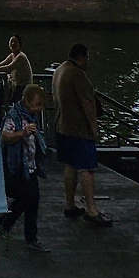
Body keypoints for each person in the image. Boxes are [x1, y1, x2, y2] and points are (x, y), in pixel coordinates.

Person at [52, 42, 112, 227]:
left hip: (62, 126)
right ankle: (91, 210)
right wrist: (93, 127)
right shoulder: (77, 74)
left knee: (70, 166)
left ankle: (69, 204)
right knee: (87, 168)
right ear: (80, 57)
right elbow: (87, 102)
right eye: (87, 57)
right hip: (79, 129)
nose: (87, 61)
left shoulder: (59, 70)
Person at [0, 83, 48, 251]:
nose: (39, 109)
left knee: (28, 200)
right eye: (36, 105)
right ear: (26, 101)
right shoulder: (14, 116)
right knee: (30, 199)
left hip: (30, 164)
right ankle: (29, 237)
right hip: (19, 165)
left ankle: (5, 222)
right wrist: (22, 133)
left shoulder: (32, 116)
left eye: (41, 105)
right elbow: (5, 137)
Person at [0, 36, 32, 103]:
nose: (13, 44)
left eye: (15, 42)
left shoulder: (21, 56)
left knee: (12, 100)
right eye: (11, 41)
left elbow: (9, 68)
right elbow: (1, 64)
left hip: (23, 86)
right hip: (16, 85)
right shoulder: (12, 55)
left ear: (19, 44)